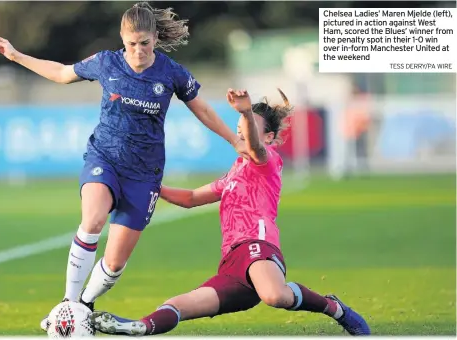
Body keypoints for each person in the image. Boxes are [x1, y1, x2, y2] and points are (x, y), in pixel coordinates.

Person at [0, 1, 247, 332]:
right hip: (104, 158)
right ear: (122, 41)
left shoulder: (171, 73)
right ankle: (68, 303)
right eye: (131, 45)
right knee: (93, 219)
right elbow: (63, 73)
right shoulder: (106, 63)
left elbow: (204, 111)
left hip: (144, 174)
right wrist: (15, 55)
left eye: (144, 44)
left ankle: (84, 307)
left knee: (114, 263)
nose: (138, 51)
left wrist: (235, 141)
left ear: (155, 38)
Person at [89, 89, 371, 336]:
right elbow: (190, 198)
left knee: (274, 295)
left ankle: (335, 309)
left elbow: (255, 145)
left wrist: (246, 112)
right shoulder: (233, 173)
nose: (240, 132)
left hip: (258, 246)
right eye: (237, 127)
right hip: (232, 263)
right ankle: (139, 327)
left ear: (269, 137)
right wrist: (151, 185)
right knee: (181, 304)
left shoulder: (267, 161)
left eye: (245, 128)